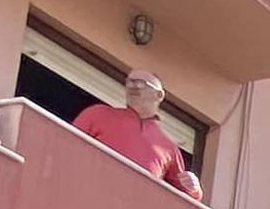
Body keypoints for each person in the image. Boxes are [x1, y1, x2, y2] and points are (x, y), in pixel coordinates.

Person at [71, 69, 201, 198]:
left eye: (141, 83)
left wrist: (194, 189)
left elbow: (186, 198)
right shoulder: (98, 114)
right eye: (130, 82)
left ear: (159, 95)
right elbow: (66, 144)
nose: (133, 86)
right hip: (86, 194)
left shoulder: (169, 148)